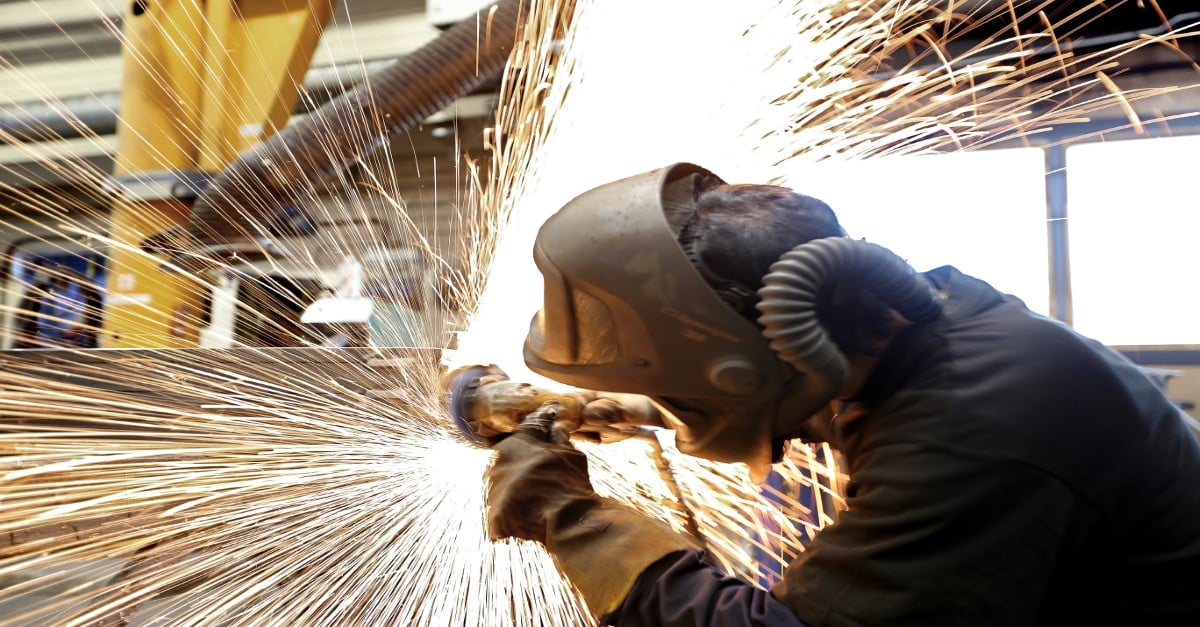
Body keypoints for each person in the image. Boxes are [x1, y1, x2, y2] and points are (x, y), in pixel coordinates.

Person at [484, 163, 1200, 626]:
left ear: (745, 362)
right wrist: (649, 408)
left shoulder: (973, 430)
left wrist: (573, 517)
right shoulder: (931, 324)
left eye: (673, 388)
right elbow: (825, 392)